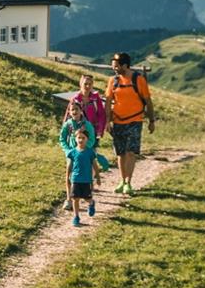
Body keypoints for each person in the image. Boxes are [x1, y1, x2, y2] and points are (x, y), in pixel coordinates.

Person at [105, 51, 154, 195]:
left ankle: (128, 182)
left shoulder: (138, 80)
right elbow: (108, 102)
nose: (114, 68)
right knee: (120, 153)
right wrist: (107, 121)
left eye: (116, 66)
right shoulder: (112, 81)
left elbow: (148, 101)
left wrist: (152, 120)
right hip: (118, 121)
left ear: (125, 65)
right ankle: (122, 180)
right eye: (113, 66)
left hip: (135, 120)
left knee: (131, 152)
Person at [59, 98, 98, 226]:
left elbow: (92, 139)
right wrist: (67, 150)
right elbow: (62, 139)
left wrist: (85, 148)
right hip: (71, 154)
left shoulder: (87, 125)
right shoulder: (68, 124)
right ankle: (69, 199)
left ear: (81, 110)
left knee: (84, 176)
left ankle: (89, 199)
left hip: (84, 155)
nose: (74, 111)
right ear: (69, 112)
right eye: (72, 110)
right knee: (69, 176)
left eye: (76, 109)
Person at [71, 73, 114, 185]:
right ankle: (78, 180)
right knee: (78, 157)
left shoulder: (95, 98)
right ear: (80, 84)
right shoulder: (75, 99)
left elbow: (101, 114)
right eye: (85, 84)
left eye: (90, 84)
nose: (88, 86)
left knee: (90, 157)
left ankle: (89, 182)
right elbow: (69, 115)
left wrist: (100, 130)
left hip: (93, 133)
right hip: (78, 133)